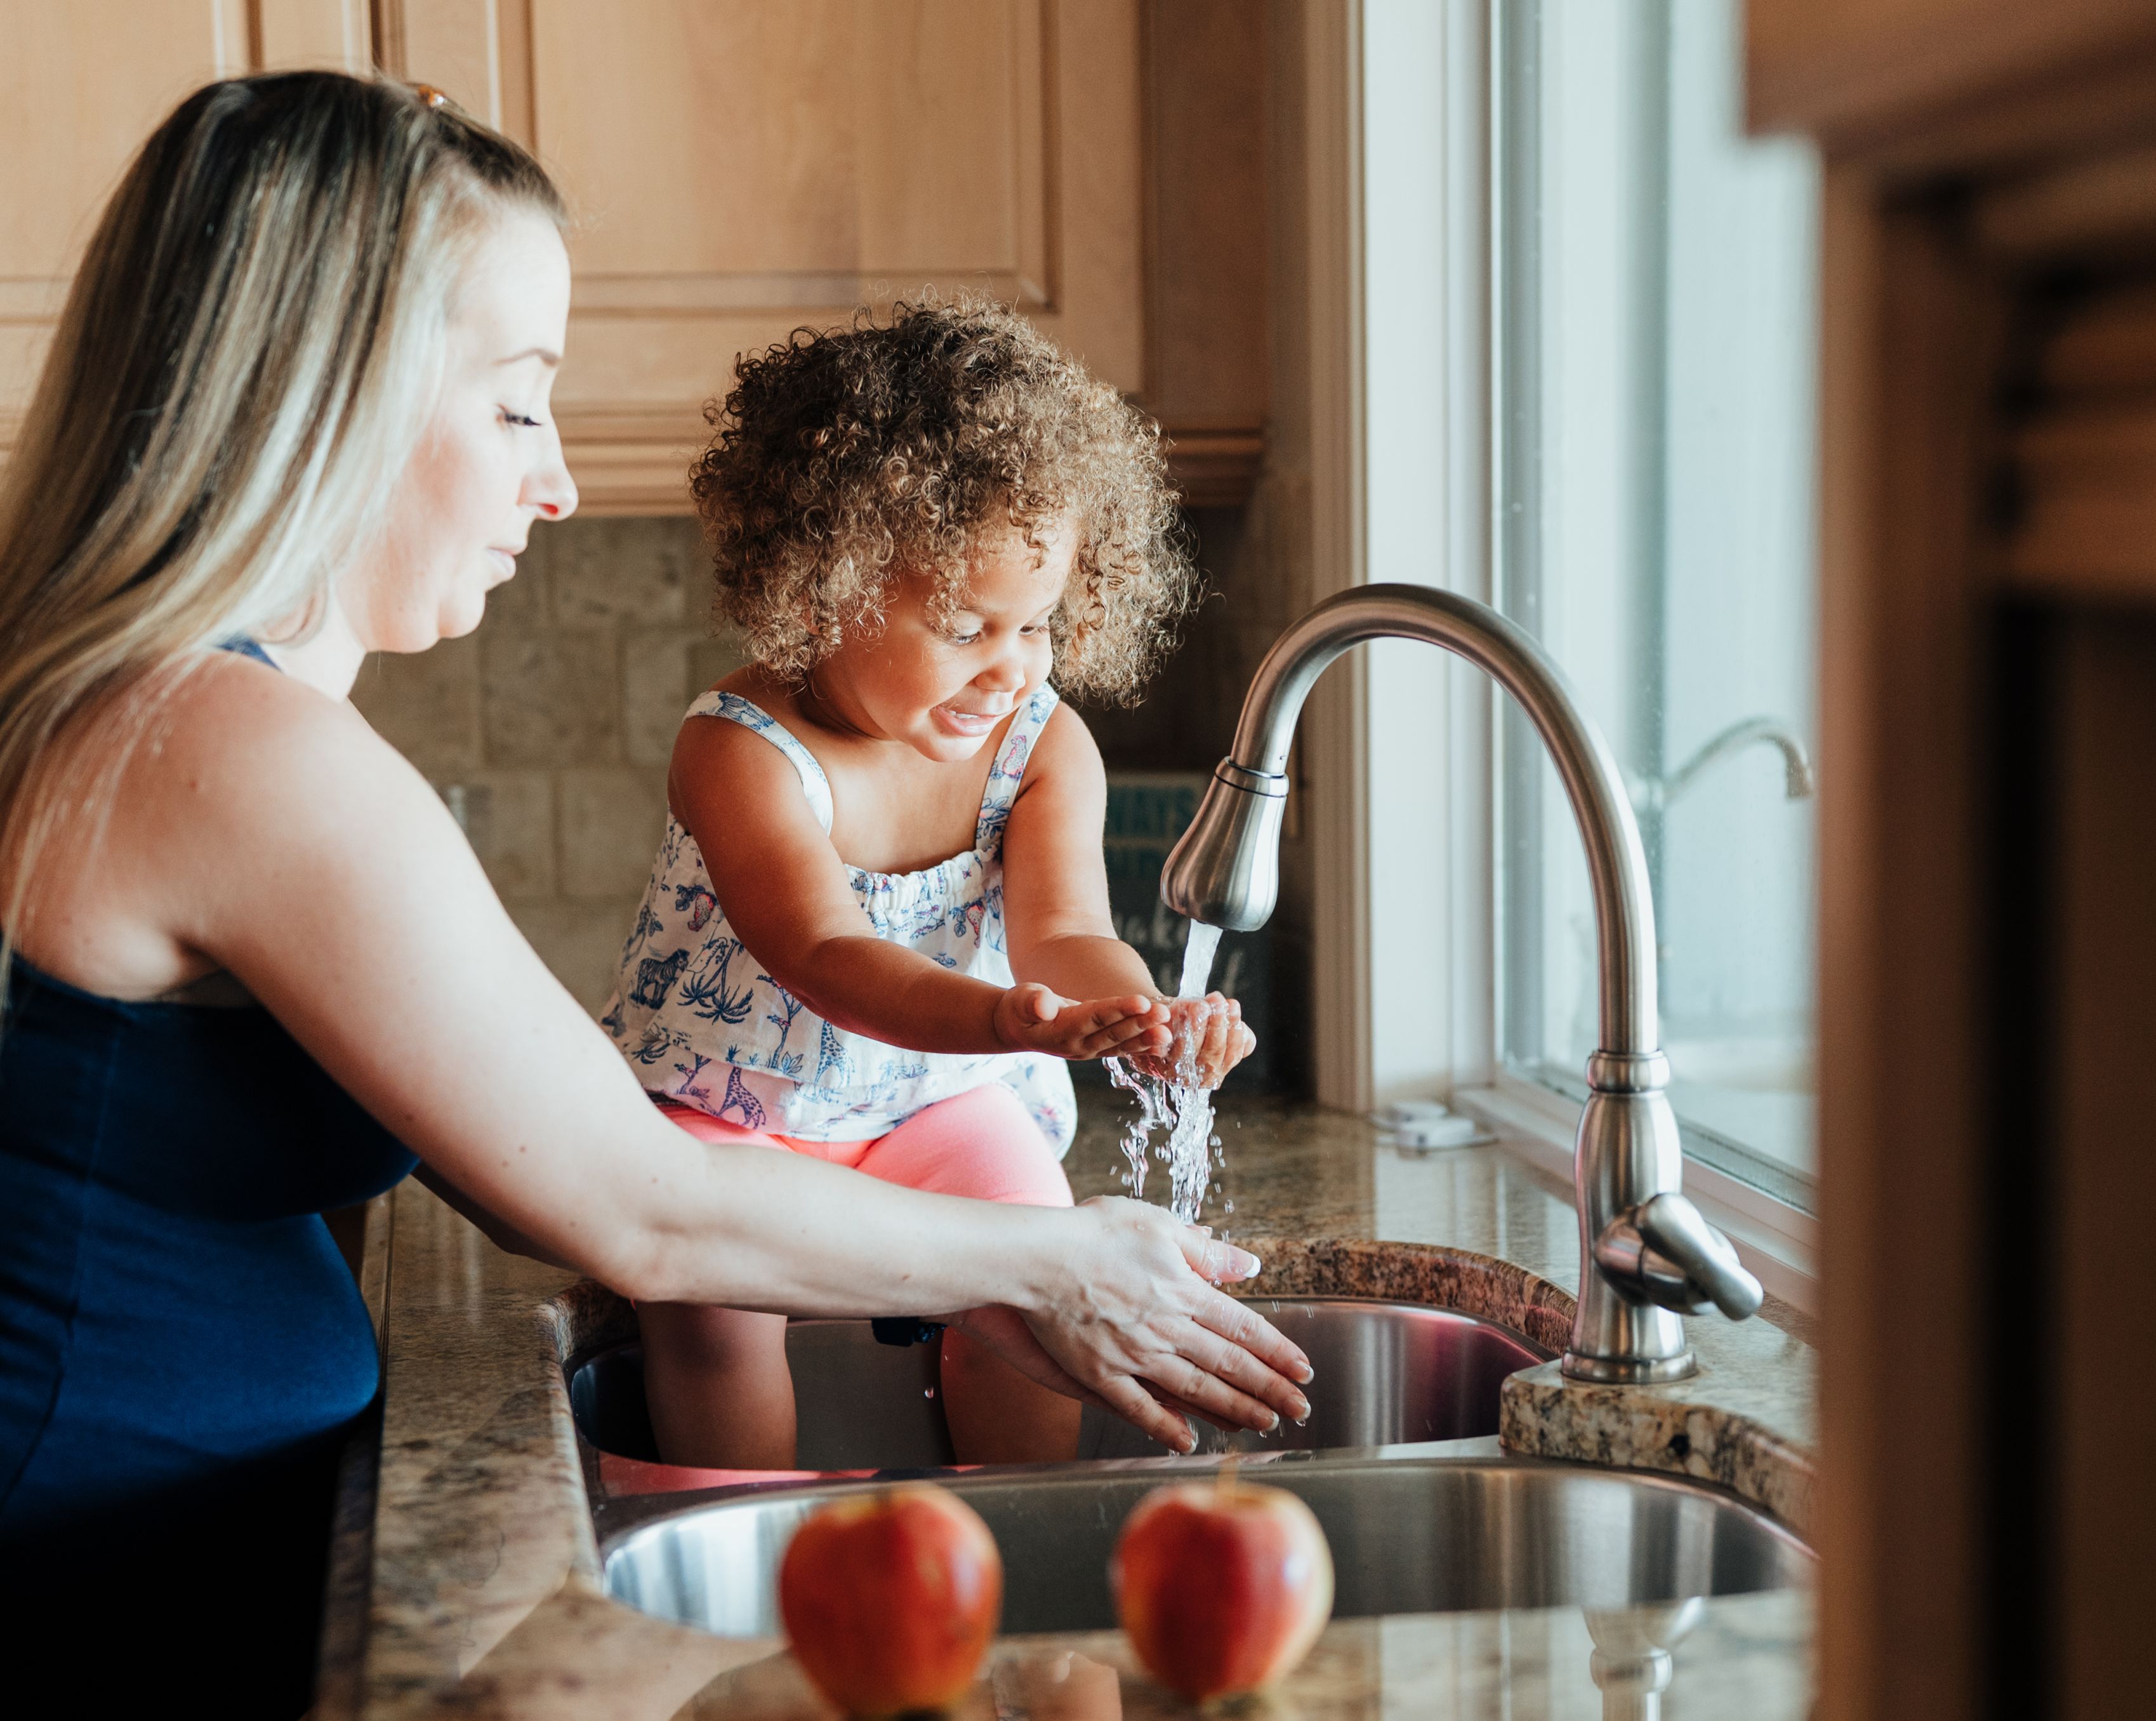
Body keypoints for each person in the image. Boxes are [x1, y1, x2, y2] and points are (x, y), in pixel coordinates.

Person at [0, 72, 1306, 1713]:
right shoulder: (223, 748)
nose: (553, 485)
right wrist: (1046, 1261)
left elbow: (530, 1154)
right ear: (326, 398)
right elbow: (645, 1205)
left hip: (152, 1545)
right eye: (516, 403)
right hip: (95, 1591)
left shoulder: (189, 718)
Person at [601, 302, 1254, 1470]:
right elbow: (826, 955)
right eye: (964, 626)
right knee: (712, 1315)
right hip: (738, 1113)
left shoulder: (1044, 746)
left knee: (1036, 1268)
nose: (1010, 668)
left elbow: (1065, 931)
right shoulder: (741, 750)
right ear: (820, 589)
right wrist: (1001, 1019)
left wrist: (1136, 1014)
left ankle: (1017, 1530)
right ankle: (745, 1535)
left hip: (932, 1108)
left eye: (1038, 626)